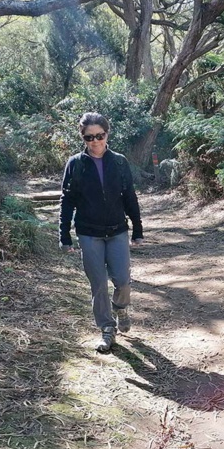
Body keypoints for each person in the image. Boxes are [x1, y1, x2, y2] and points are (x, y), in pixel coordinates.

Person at [59, 112, 143, 353]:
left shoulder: (119, 162)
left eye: (100, 135)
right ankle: (107, 328)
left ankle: (121, 308)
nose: (95, 141)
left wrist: (137, 228)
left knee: (122, 281)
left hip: (117, 230)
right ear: (82, 138)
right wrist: (64, 235)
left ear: (107, 134)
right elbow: (67, 201)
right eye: (89, 137)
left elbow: (129, 196)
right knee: (98, 285)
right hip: (89, 233)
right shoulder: (75, 164)